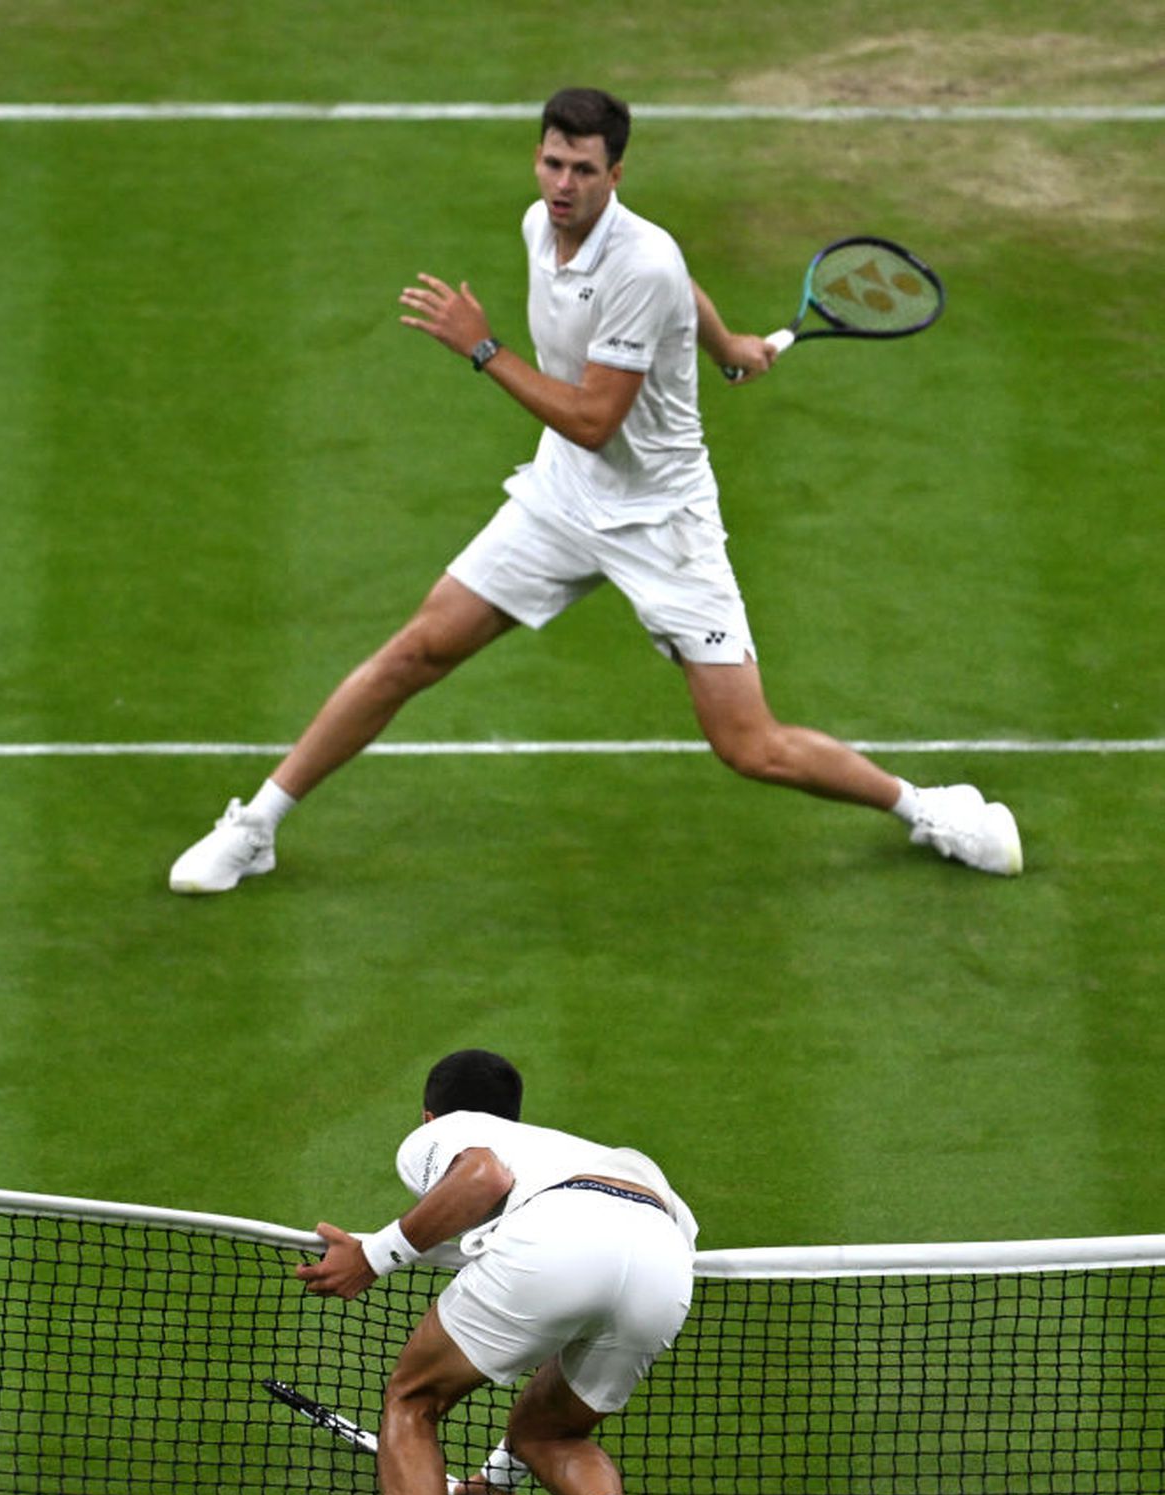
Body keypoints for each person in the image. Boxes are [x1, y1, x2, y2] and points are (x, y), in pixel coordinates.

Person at [169, 86, 1021, 894]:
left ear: (618, 174)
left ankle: (929, 808)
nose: (563, 186)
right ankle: (257, 826)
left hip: (663, 523)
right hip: (565, 497)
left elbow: (593, 417)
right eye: (551, 164)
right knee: (416, 650)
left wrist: (481, 348)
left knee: (749, 746)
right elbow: (673, 305)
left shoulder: (641, 261)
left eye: (583, 171)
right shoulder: (542, 226)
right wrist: (728, 344)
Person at [294, 1046, 697, 1495]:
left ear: (431, 1117)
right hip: (664, 1259)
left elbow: (482, 1177)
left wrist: (372, 1257)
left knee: (414, 1400)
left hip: (560, 1238)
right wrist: (496, 1480)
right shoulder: (581, 1149)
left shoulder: (453, 1131)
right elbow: (602, 1282)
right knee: (554, 1430)